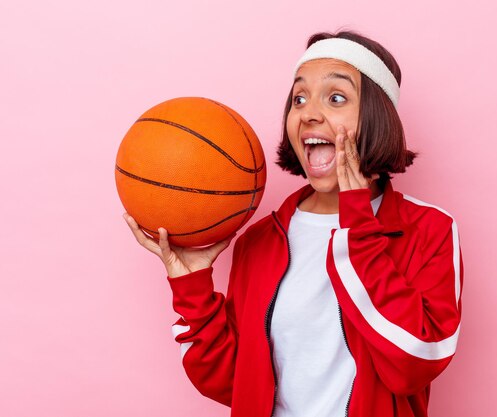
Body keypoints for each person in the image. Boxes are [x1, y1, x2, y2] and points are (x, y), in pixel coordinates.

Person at [124, 30, 463, 417]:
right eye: (298, 99)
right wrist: (195, 291)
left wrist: (358, 230)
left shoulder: (428, 230)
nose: (309, 113)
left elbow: (413, 365)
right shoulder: (260, 240)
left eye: (336, 98)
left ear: (376, 118)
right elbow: (235, 383)